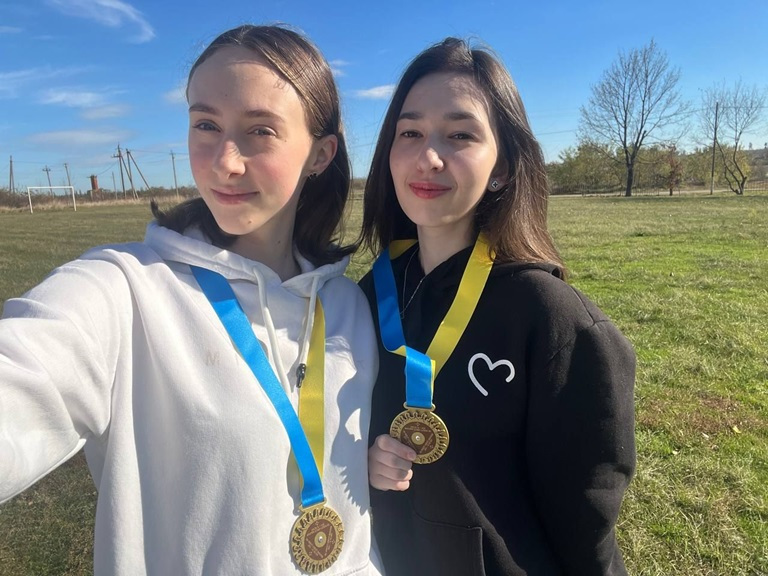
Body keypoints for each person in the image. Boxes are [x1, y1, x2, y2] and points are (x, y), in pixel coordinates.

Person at [0, 24, 383, 576]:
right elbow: (25, 374)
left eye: (260, 131)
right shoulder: (123, 290)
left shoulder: (348, 307)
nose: (225, 161)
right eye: (206, 124)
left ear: (320, 154)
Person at [358, 37, 636, 576]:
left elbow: (586, 530)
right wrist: (364, 457)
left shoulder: (554, 321)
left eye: (460, 135)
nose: (428, 157)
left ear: (503, 167)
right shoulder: (366, 296)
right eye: (410, 132)